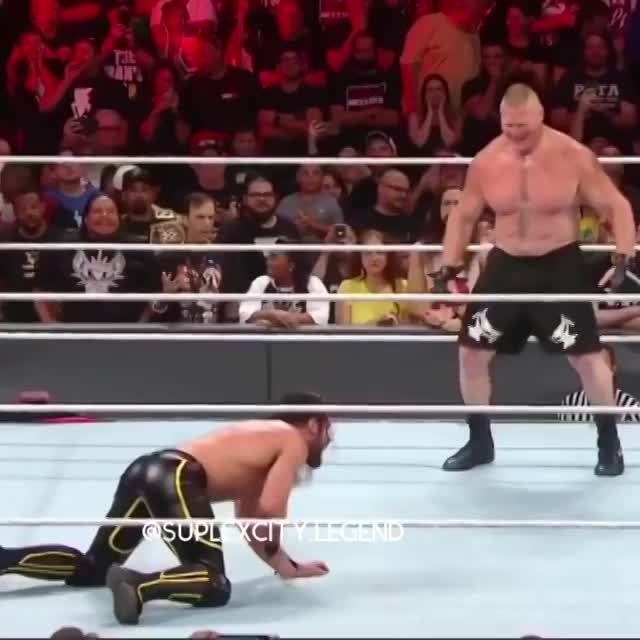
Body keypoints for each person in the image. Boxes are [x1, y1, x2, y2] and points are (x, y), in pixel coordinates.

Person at [431, 83, 636, 477]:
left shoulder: (572, 155)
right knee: (471, 351)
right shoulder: (487, 161)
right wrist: (450, 263)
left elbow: (615, 205)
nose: (516, 135)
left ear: (540, 115)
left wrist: (622, 256)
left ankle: (609, 443)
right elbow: (464, 214)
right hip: (506, 263)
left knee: (586, 357)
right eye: (508, 127)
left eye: (523, 127)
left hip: (558, 263)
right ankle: (479, 440)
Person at [0, 392, 332, 625]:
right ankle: (138, 586)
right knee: (213, 582)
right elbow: (271, 508)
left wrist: (286, 566)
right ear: (314, 424)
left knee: (94, 567)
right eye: (329, 429)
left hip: (147, 470)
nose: (331, 439)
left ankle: (5, 560)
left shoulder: (261, 440)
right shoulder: (292, 440)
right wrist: (275, 542)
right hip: (176, 478)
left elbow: (249, 520)